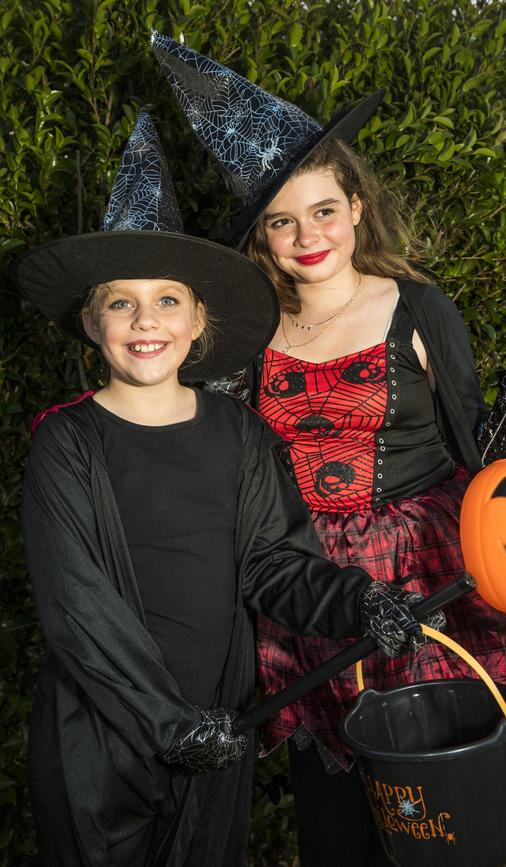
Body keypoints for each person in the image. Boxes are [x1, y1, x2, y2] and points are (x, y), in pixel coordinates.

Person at [153, 35, 506, 866]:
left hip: (426, 575)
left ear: (357, 207)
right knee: (336, 810)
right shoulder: (251, 339)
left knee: (435, 812)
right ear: (261, 237)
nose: (308, 235)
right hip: (311, 585)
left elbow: (478, 452)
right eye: (282, 221)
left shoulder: (416, 308)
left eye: (323, 211)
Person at [14, 110, 430, 867]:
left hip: (221, 729)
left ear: (200, 318)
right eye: (122, 302)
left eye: (168, 299)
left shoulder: (240, 435)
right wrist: (165, 720)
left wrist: (359, 601)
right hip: (103, 742)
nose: (147, 321)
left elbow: (277, 563)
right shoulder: (65, 442)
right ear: (91, 320)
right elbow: (80, 613)